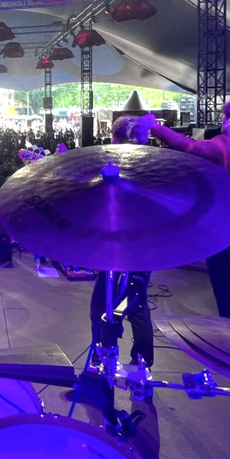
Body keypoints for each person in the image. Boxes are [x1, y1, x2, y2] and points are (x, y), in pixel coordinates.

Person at [139, 99, 230, 322]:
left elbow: (189, 146)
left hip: (226, 224)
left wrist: (153, 126)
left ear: (229, 121)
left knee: (225, 283)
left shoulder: (225, 146)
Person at [90, 116, 155, 367]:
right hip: (146, 244)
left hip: (117, 244)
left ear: (114, 138)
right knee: (137, 302)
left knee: (100, 307)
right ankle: (142, 363)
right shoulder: (156, 165)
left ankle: (103, 357)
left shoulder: (111, 166)